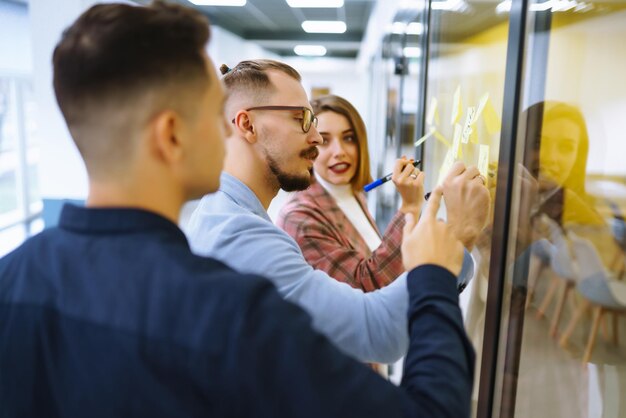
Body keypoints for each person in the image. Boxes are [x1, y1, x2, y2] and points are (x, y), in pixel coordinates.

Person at [0, 2, 476, 416]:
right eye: (213, 114)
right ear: (171, 135)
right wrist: (436, 268)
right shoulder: (226, 310)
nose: (227, 133)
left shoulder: (11, 278)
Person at [185, 59, 491, 363]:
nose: (316, 139)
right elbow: (376, 330)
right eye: (301, 118)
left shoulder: (228, 215)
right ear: (247, 125)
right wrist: (458, 232)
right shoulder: (241, 237)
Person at [276, 94, 424, 291]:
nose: (339, 151)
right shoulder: (299, 217)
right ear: (308, 146)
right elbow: (364, 286)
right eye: (324, 141)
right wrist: (409, 207)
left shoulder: (352, 193)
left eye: (348, 138)